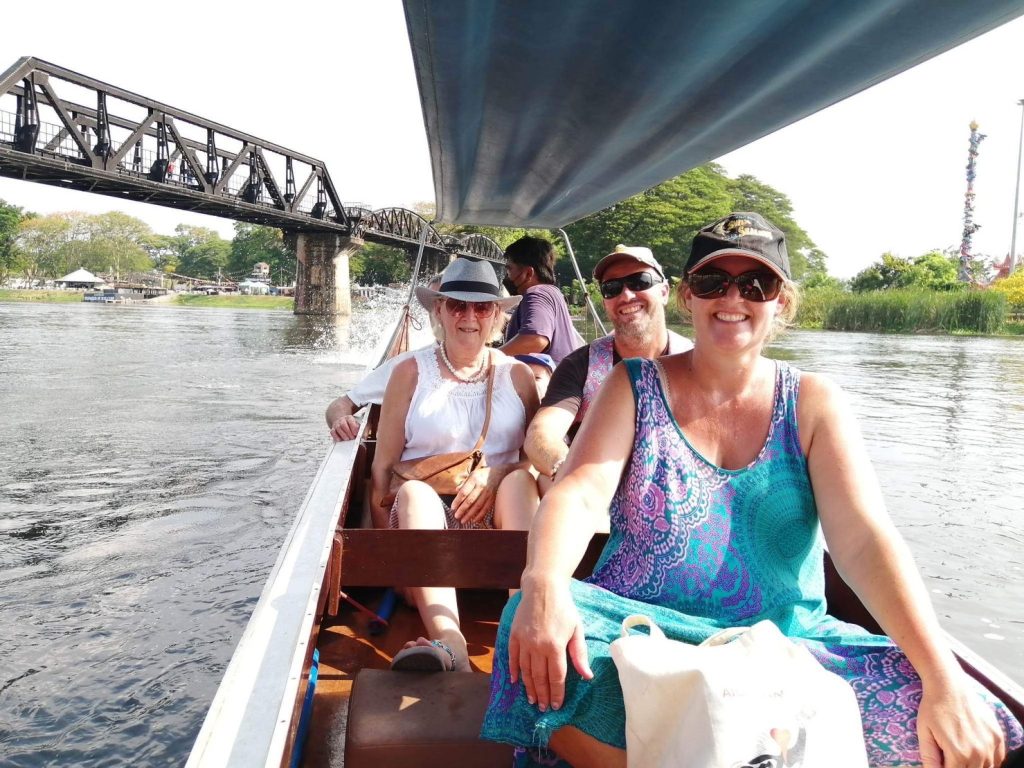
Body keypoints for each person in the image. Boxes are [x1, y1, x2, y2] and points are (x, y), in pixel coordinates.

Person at [482, 213, 1022, 767]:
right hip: (644, 636)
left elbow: (862, 538)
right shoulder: (633, 386)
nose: (732, 297)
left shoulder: (813, 402)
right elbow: (580, 492)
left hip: (786, 642)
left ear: (782, 303)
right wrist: (544, 582)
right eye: (714, 282)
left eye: (756, 284)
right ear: (688, 295)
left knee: (969, 715)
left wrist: (942, 677)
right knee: (525, 624)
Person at [371, 257, 540, 673]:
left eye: (482, 307)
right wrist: (393, 564)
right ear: (440, 311)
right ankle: (451, 643)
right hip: (423, 522)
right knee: (413, 493)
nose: (469, 317)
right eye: (457, 306)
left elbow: (532, 461)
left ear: (497, 316)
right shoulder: (409, 372)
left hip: (496, 514)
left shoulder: (517, 376)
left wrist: (496, 474)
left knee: (520, 485)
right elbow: (383, 470)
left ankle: (520, 622)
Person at [525, 244, 692, 486]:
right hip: (598, 497)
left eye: (640, 281)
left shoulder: (697, 361)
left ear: (665, 292)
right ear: (605, 303)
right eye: (612, 288)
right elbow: (541, 435)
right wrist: (573, 473)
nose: (626, 295)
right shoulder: (580, 365)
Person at [325, 274, 443, 441]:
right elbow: (340, 405)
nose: (439, 312)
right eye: (432, 306)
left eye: (455, 305)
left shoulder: (493, 368)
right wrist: (341, 421)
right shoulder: (407, 366)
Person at [500, 236, 584, 364]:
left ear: (528, 273)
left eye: (509, 269)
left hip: (544, 382)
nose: (508, 276)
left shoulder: (536, 294)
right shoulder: (552, 293)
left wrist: (491, 356)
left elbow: (536, 339)